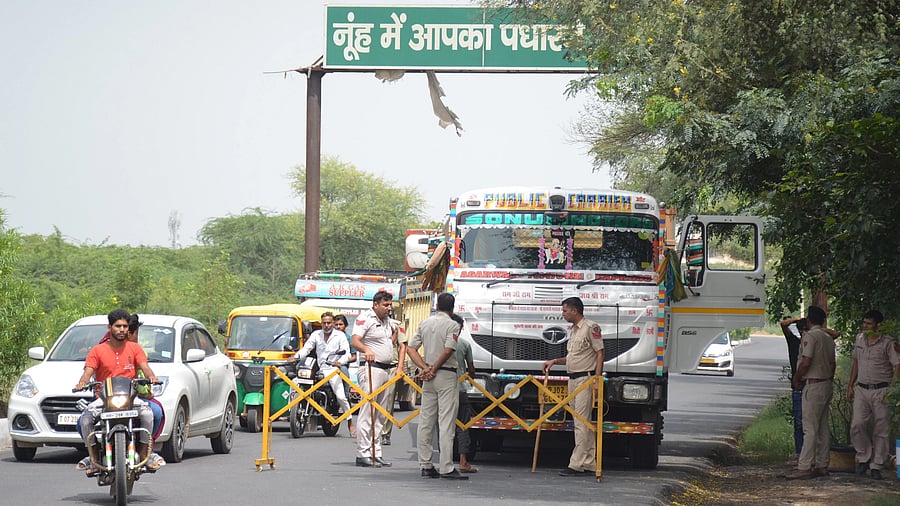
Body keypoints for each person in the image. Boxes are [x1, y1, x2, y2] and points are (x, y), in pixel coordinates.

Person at [75, 309, 160, 475]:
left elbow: (145, 367)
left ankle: (144, 454)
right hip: (104, 398)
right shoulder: (97, 350)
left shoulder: (135, 348)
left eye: (125, 326)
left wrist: (152, 377)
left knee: (149, 414)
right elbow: (88, 371)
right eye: (118, 326)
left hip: (130, 397)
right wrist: (82, 382)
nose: (122, 330)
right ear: (109, 327)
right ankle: (94, 458)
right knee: (85, 420)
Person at [406, 292, 468, 480]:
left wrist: (425, 367)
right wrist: (434, 368)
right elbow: (449, 350)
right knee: (446, 422)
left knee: (426, 420)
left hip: (428, 377)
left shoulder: (426, 323)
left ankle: (425, 464)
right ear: (452, 307)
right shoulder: (453, 325)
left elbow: (410, 348)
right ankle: (446, 466)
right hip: (446, 375)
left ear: (437, 305)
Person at [543, 296, 604, 476]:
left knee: (581, 422)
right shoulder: (574, 330)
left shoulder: (590, 327)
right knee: (583, 422)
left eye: (565, 310)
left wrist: (597, 381)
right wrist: (555, 361)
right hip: (572, 378)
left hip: (585, 379)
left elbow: (600, 353)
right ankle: (589, 462)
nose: (563, 314)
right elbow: (572, 357)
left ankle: (576, 464)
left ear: (574, 310)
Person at [848, 310, 900, 480]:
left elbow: (897, 365)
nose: (865, 327)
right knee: (857, 424)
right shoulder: (859, 339)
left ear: (878, 325)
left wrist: (892, 389)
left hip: (881, 390)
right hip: (862, 389)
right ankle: (864, 456)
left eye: (869, 324)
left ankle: (877, 464)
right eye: (864, 323)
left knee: (881, 428)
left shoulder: (887, 343)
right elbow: (856, 362)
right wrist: (850, 385)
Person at [785, 306, 836, 480]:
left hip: (812, 384)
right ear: (822, 321)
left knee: (810, 427)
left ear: (808, 320)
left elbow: (806, 361)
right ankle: (822, 465)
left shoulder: (810, 337)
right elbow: (832, 364)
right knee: (822, 427)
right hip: (826, 383)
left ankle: (805, 466)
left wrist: (797, 378)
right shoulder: (829, 338)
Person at [350, 291, 396, 468]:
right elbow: (355, 340)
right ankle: (363, 453)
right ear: (375, 304)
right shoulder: (366, 318)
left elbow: (392, 338)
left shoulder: (387, 322)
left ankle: (376, 452)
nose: (388, 308)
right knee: (368, 411)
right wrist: (366, 350)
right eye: (385, 305)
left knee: (380, 414)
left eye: (390, 305)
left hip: (385, 369)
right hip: (371, 368)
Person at [293, 311, 353, 436]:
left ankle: (350, 422)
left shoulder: (340, 336)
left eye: (329, 323)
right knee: (294, 383)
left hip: (333, 370)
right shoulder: (316, 335)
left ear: (332, 323)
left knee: (341, 396)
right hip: (319, 369)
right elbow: (307, 348)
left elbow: (347, 353)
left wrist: (339, 362)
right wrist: (296, 356)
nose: (326, 325)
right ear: (321, 323)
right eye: (324, 323)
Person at [780, 316, 808, 457]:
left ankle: (809, 453)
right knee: (799, 422)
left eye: (806, 331)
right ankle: (799, 452)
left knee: (810, 422)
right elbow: (783, 325)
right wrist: (798, 319)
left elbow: (835, 334)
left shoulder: (815, 343)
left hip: (811, 385)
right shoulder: (794, 342)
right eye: (801, 331)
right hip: (797, 387)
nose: (803, 334)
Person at [453, 313, 477, 474]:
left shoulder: (440, 344)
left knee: (445, 426)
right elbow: (471, 369)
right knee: (463, 426)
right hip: (460, 390)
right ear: (461, 329)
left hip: (442, 390)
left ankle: (444, 460)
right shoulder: (464, 344)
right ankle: (463, 461)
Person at [380, 315, 407, 446]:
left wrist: (400, 367)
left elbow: (403, 347)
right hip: (376, 366)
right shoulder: (372, 324)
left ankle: (385, 433)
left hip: (391, 367)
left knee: (388, 401)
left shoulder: (397, 325)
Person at [333, 314, 357, 438]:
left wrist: (343, 361)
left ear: (345, 326)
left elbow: (354, 356)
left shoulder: (349, 339)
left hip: (341, 367)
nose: (338, 327)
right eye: (336, 325)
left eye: (340, 324)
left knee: (344, 395)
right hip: (326, 366)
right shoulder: (327, 337)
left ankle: (350, 424)